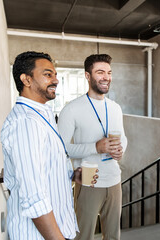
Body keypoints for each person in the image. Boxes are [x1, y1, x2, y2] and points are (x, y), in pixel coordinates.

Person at [1, 51, 95, 240]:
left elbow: (41, 172)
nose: (56, 80)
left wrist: (71, 175)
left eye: (55, 74)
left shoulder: (42, 115)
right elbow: (33, 196)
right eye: (47, 74)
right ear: (26, 80)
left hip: (57, 230)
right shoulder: (27, 122)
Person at [58, 54, 127, 240]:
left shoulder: (115, 108)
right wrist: (95, 147)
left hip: (114, 180)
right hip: (88, 181)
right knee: (83, 236)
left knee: (113, 236)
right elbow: (60, 148)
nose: (106, 77)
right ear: (88, 76)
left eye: (109, 72)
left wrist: (121, 149)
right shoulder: (71, 109)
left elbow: (123, 138)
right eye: (100, 72)